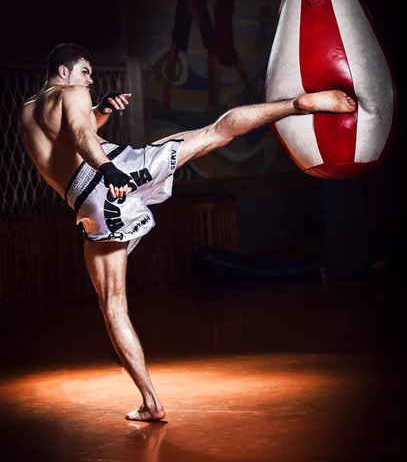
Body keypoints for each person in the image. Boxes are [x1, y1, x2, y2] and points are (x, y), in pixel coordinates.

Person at [18, 43, 356, 421]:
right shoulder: (72, 92)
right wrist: (109, 168)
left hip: (88, 203)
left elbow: (70, 137)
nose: (90, 79)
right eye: (85, 71)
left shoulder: (28, 111)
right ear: (63, 72)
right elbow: (81, 136)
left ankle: (151, 401)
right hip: (114, 170)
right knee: (214, 133)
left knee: (113, 306)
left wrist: (102, 112)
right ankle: (296, 105)